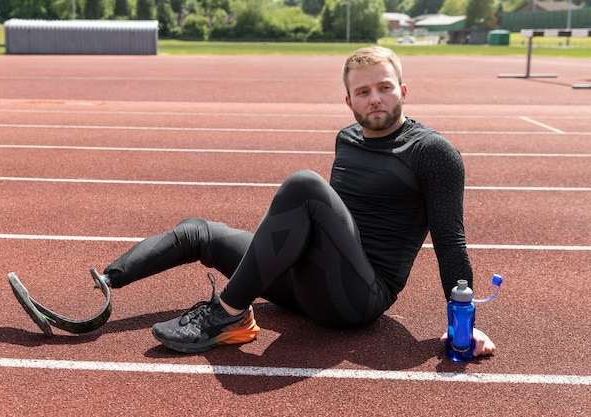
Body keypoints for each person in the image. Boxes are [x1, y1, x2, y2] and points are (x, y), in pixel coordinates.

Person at [94, 46, 495, 356]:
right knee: (201, 232)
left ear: (403, 91)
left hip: (358, 299)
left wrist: (465, 322)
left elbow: (451, 241)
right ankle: (110, 281)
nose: (375, 98)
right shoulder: (347, 139)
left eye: (385, 87)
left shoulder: (432, 152)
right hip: (309, 283)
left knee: (304, 184)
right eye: (363, 91)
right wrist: (111, 280)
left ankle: (228, 314)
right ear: (349, 101)